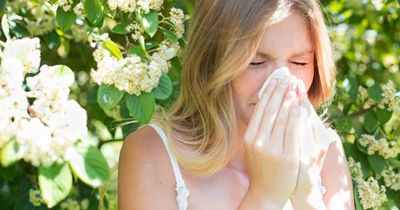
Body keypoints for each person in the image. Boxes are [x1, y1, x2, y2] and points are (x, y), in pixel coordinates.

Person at [118, 0, 355, 209]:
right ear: (212, 63)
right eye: (256, 62)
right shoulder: (151, 153)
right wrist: (265, 197)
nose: (282, 82)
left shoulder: (326, 150)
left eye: (300, 62)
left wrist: (307, 196)